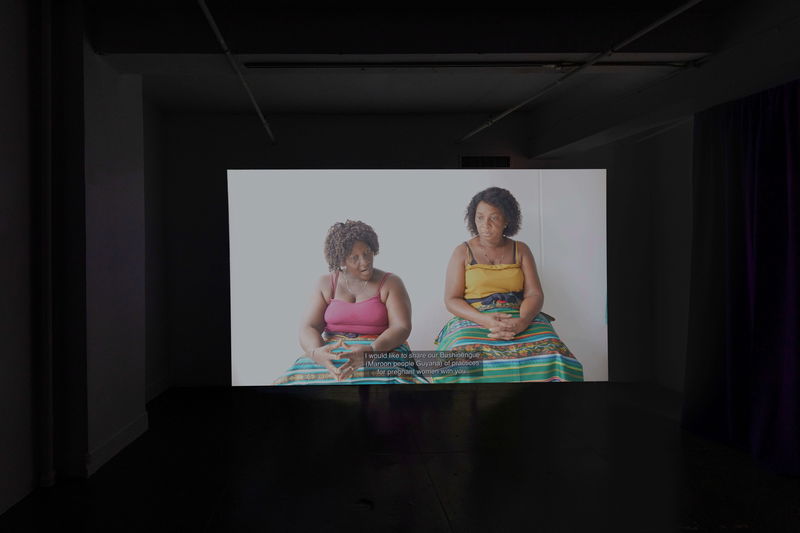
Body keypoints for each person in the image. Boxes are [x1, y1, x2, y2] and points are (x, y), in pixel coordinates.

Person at [433, 187, 583, 383]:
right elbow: (451, 299)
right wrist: (484, 320)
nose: (485, 225)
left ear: (507, 220)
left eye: (494, 218)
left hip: (518, 315)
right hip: (475, 316)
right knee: (460, 356)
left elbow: (534, 294)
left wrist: (522, 321)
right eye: (480, 217)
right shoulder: (462, 252)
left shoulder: (521, 249)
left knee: (554, 352)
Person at [274, 220, 426, 385]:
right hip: (335, 350)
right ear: (341, 261)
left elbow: (401, 327)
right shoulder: (326, 283)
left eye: (367, 253)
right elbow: (308, 327)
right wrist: (317, 353)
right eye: (355, 258)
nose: (365, 261)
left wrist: (371, 351)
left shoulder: (391, 283)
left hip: (383, 349)